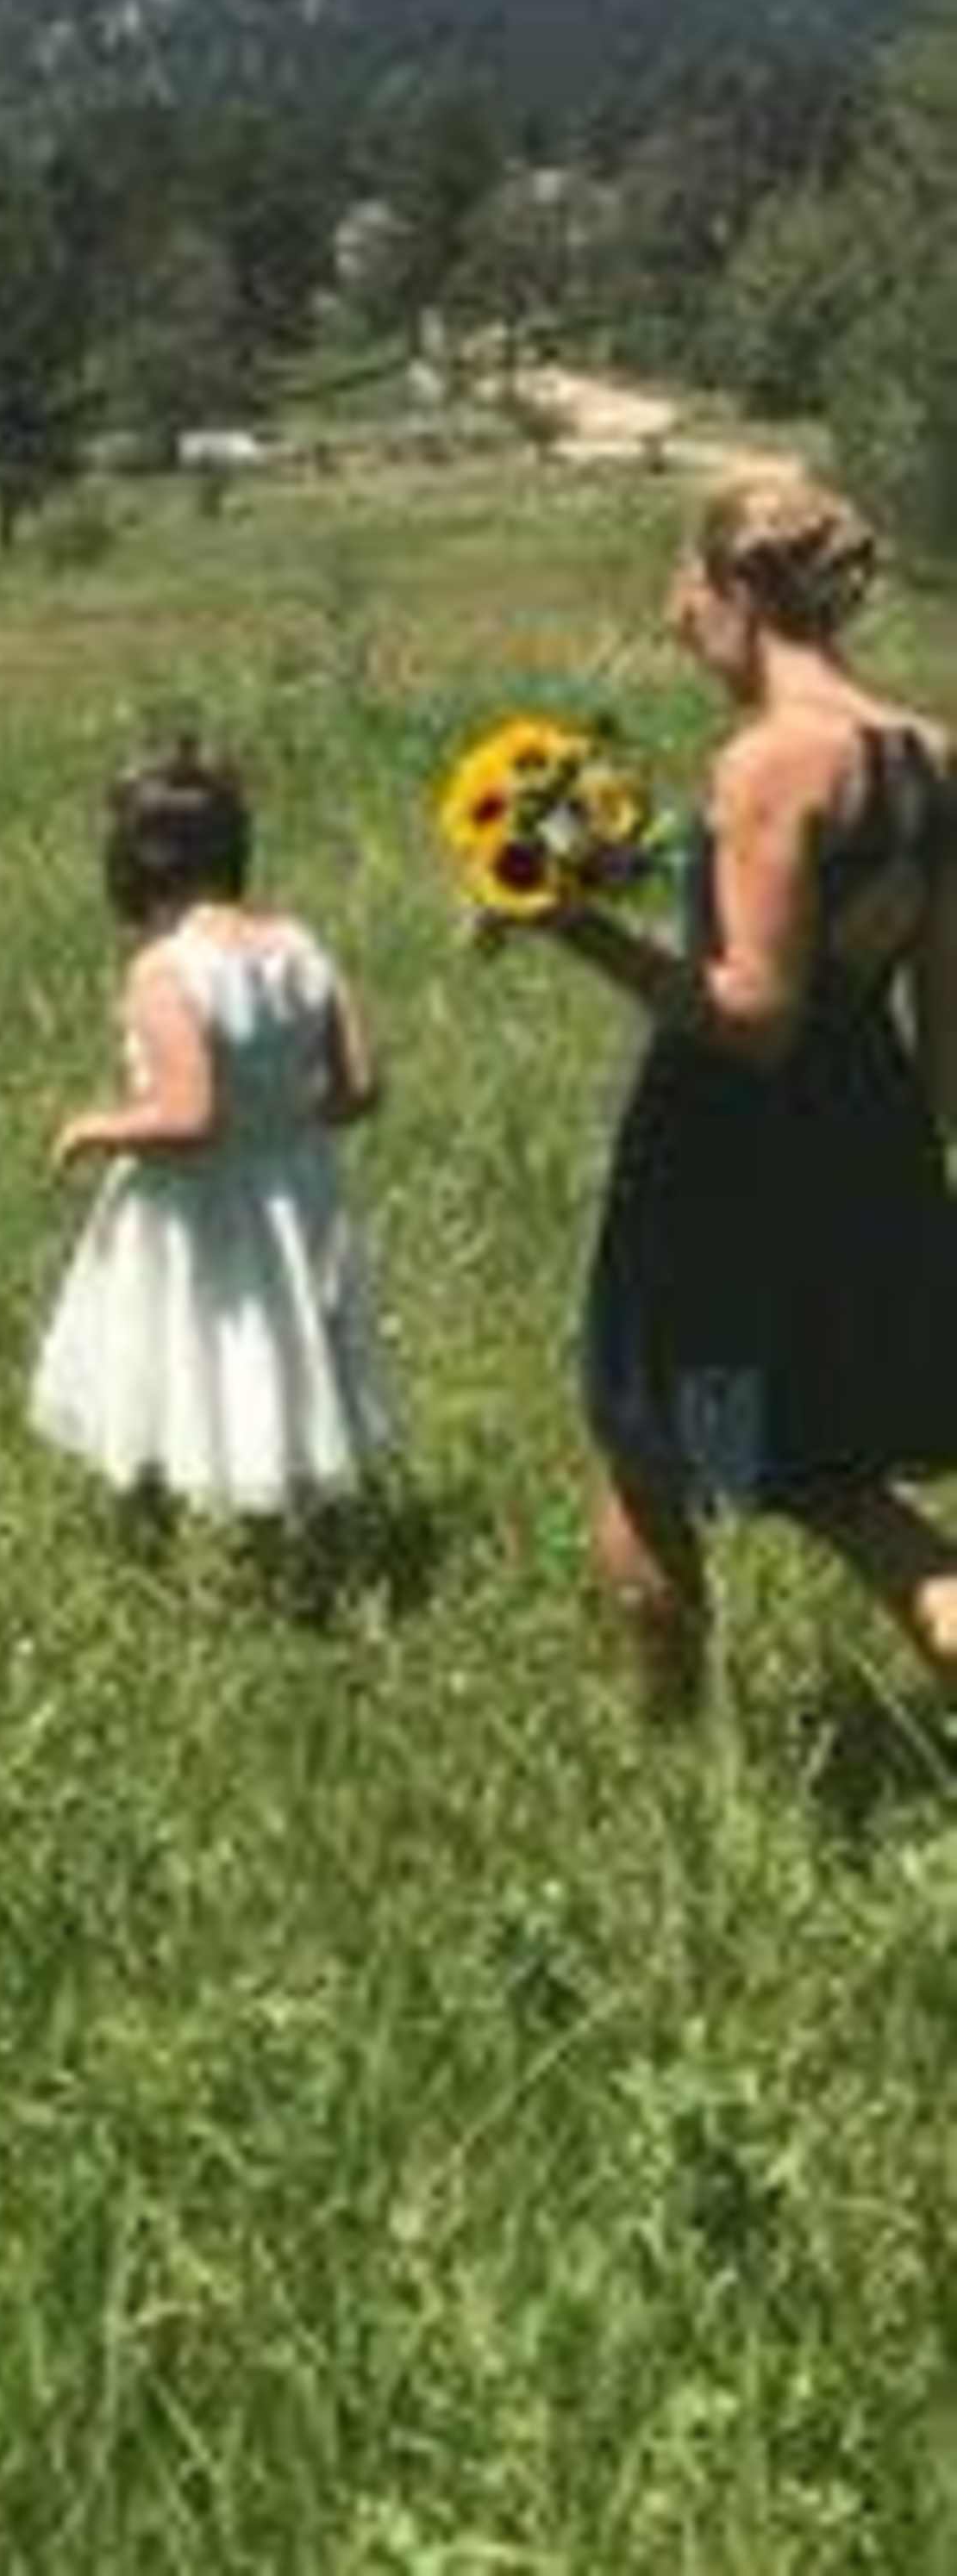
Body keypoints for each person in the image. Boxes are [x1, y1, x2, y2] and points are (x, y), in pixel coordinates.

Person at [504, 471, 957, 1717]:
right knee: (827, 1477)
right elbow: (947, 1028)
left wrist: (568, 925)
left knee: (647, 1453)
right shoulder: (932, 756)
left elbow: (754, 1016)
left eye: (685, 592)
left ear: (739, 591)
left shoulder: (770, 764)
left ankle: (672, 1758)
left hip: (723, 1172)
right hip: (866, 1143)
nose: (675, 620)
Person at [30, 740, 391, 1521]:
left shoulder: (165, 971)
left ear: (132, 865)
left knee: (202, 1347)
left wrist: (96, 1128)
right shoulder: (300, 946)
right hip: (297, 1192)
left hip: (199, 1208)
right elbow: (360, 1088)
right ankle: (292, 1508)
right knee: (282, 1341)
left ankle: (210, 1517)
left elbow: (189, 1117)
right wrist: (283, 1130)